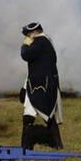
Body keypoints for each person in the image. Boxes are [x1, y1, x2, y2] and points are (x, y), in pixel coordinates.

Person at [20, 22, 64, 150]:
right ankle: (57, 144)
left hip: (40, 86)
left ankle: (26, 148)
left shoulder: (40, 42)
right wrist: (24, 87)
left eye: (28, 35)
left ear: (34, 32)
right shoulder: (45, 42)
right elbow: (34, 68)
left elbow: (25, 55)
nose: (28, 38)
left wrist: (24, 45)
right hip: (38, 84)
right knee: (44, 115)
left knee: (34, 116)